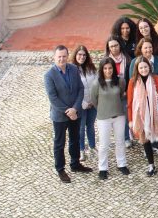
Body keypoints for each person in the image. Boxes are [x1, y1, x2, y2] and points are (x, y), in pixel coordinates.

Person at [45, 45, 93, 183]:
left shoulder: (73, 69)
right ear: (54, 57)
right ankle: (60, 169)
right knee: (59, 143)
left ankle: (75, 164)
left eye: (64, 56)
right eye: (59, 56)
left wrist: (75, 108)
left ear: (67, 56)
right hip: (60, 116)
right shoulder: (49, 75)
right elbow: (53, 98)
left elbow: (80, 89)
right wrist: (68, 111)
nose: (62, 59)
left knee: (75, 139)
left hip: (75, 112)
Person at [127, 56, 158, 176]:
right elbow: (130, 102)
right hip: (141, 117)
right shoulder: (133, 82)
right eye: (141, 67)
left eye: (145, 67)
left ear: (149, 67)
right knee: (145, 142)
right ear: (137, 68)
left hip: (155, 116)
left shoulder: (156, 79)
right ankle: (151, 165)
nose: (143, 69)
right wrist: (131, 120)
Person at [90, 58, 129, 179]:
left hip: (119, 116)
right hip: (103, 117)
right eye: (105, 68)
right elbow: (94, 100)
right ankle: (102, 168)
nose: (108, 71)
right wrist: (103, 109)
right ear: (102, 69)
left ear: (114, 68)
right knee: (104, 143)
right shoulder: (97, 83)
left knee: (120, 141)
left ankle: (121, 164)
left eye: (110, 68)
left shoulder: (120, 81)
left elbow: (121, 94)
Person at [105, 36, 132, 146]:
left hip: (124, 93)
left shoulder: (128, 59)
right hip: (111, 94)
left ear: (120, 45)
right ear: (108, 48)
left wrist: (127, 91)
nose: (114, 48)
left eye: (116, 45)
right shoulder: (106, 60)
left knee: (124, 116)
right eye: (111, 46)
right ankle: (117, 137)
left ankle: (126, 138)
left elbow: (131, 77)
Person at [72, 45, 97, 161]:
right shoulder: (72, 70)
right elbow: (73, 91)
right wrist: (83, 103)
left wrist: (94, 100)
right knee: (81, 128)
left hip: (93, 104)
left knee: (91, 126)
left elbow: (97, 84)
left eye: (84, 55)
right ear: (75, 55)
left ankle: (92, 147)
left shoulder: (91, 68)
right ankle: (81, 150)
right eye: (79, 54)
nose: (81, 57)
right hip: (81, 105)